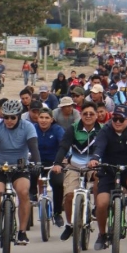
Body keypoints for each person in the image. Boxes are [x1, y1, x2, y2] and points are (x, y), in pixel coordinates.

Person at [0, 99, 41, 245]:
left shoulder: (28, 127)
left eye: (13, 117)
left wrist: (37, 163)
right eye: (6, 117)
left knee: (23, 192)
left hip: (20, 168)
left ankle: (22, 232)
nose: (9, 121)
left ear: (18, 116)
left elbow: (34, 147)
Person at [87, 105, 127, 251]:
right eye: (115, 118)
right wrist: (95, 158)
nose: (117, 122)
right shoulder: (105, 131)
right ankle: (102, 234)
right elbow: (99, 147)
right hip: (108, 170)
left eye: (121, 119)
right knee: (101, 204)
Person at [54, 100, 102, 241]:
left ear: (96, 116)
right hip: (75, 166)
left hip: (94, 166)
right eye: (85, 113)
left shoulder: (103, 130)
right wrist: (57, 163)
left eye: (91, 114)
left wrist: (98, 161)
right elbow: (63, 146)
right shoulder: (73, 128)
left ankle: (97, 207)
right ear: (80, 115)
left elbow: (105, 148)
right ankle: (69, 224)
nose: (88, 116)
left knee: (100, 179)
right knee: (69, 195)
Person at [33, 106, 66, 226]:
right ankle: (32, 195)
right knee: (30, 174)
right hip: (36, 161)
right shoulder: (32, 129)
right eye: (41, 117)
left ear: (52, 119)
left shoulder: (57, 130)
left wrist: (63, 159)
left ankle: (57, 213)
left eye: (47, 118)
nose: (43, 120)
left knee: (58, 183)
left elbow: (64, 146)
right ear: (37, 118)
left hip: (54, 163)